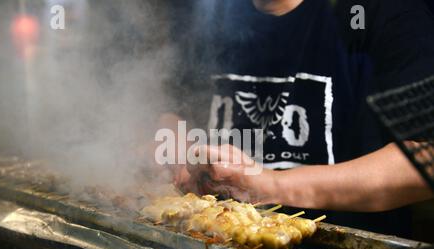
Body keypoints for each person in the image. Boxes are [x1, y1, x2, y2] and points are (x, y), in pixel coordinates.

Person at [158, 0, 434, 236]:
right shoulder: (208, 12)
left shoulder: (380, 11)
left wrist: (273, 185)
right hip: (209, 248)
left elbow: (426, 161)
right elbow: (173, 105)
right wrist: (180, 152)